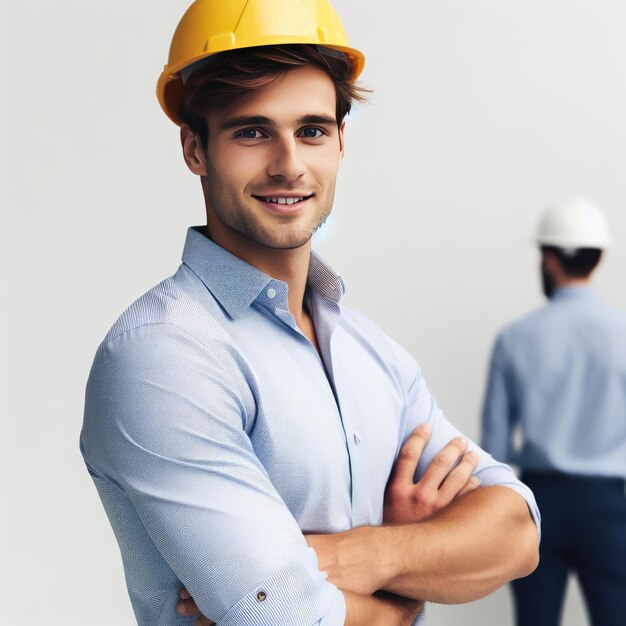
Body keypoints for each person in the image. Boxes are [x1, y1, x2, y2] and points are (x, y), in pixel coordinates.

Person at [81, 1, 540, 625]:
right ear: (195, 147)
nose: (288, 164)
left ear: (341, 142)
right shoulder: (163, 353)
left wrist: (371, 554)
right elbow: (279, 613)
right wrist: (407, 598)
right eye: (251, 131)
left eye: (312, 131)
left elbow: (516, 531)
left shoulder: (371, 352)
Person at [481, 197, 626, 626]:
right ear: (597, 257)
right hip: (609, 506)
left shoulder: (514, 338)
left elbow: (493, 450)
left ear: (548, 259)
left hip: (538, 504)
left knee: (534, 620)